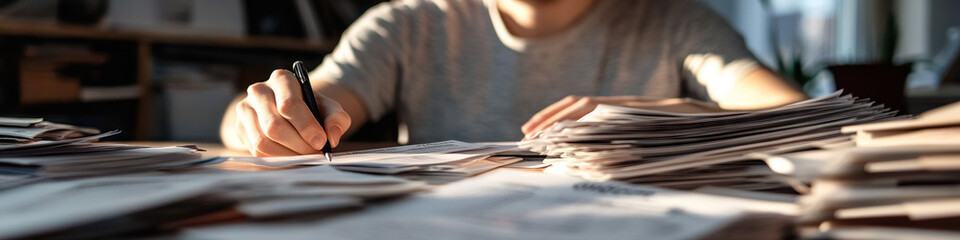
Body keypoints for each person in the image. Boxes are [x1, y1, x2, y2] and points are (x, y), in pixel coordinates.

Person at [220, 0, 808, 157]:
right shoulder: (408, 24)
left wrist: (657, 114)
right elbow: (313, 99)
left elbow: (799, 118)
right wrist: (262, 118)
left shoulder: (678, 22)